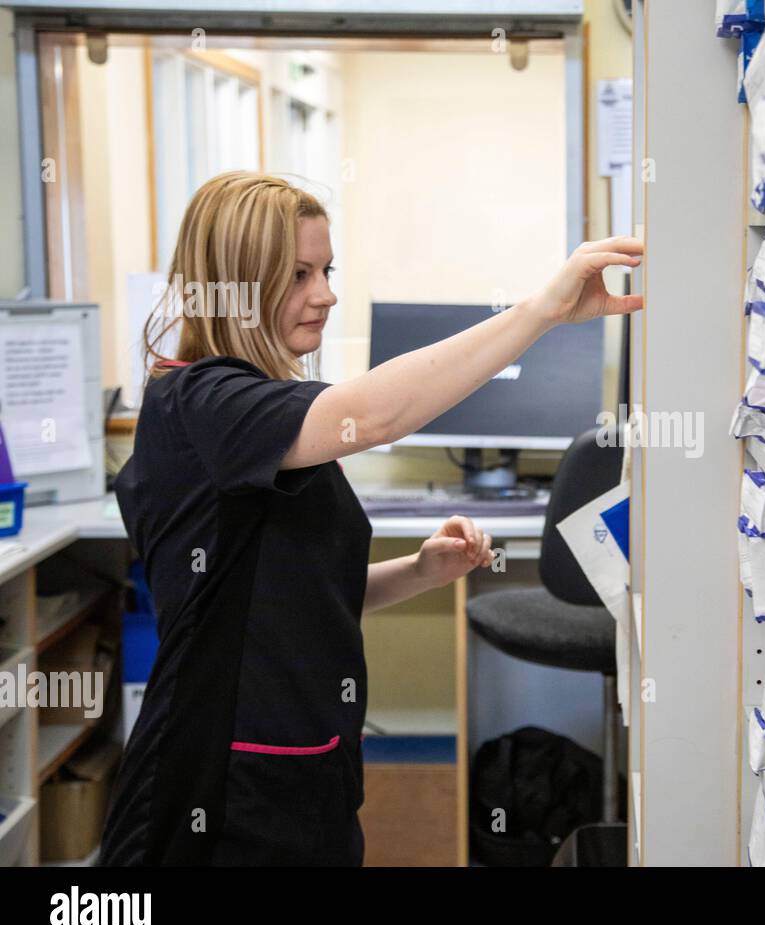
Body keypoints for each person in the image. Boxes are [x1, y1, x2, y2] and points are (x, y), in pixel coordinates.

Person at [98, 171, 643, 865]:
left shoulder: (265, 408)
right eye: (296, 275)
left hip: (307, 766)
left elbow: (298, 595)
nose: (324, 294)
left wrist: (419, 570)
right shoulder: (204, 402)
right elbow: (378, 414)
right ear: (232, 284)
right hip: (218, 783)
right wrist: (540, 311)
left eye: (326, 270)